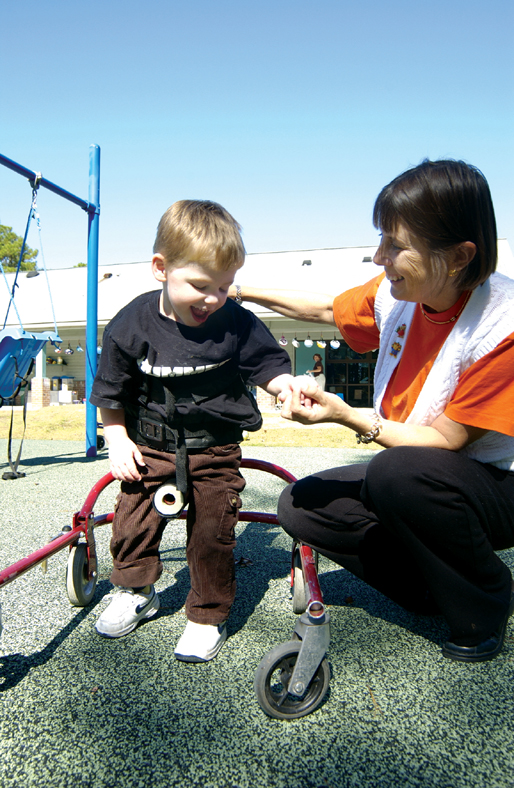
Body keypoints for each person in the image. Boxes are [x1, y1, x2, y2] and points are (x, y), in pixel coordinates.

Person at [230, 159, 514, 663]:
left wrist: (347, 414)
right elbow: (323, 310)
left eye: (395, 244)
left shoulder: (503, 325)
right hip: (427, 474)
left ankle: (482, 601)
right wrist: (237, 290)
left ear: (457, 256)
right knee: (301, 504)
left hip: (497, 484)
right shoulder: (401, 295)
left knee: (397, 474)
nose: (378, 255)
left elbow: (446, 444)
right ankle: (431, 587)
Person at [91, 200, 295, 662]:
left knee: (212, 532)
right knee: (134, 516)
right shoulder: (130, 324)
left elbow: (267, 363)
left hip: (215, 448)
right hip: (149, 443)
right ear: (160, 269)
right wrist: (117, 439)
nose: (213, 299)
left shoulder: (236, 323)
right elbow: (110, 388)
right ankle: (136, 590)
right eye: (200, 286)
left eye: (224, 287)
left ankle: (206, 615)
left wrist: (282, 386)